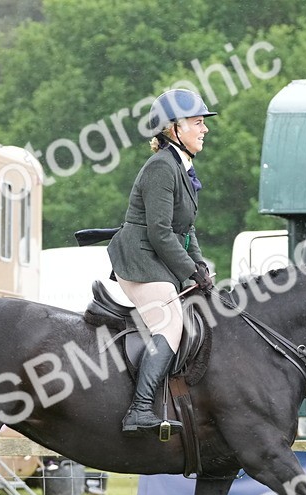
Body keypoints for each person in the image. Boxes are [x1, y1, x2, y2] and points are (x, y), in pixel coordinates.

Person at [107, 88, 216, 435]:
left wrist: (201, 268)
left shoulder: (182, 168)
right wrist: (188, 271)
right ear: (174, 129)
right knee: (169, 321)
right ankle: (139, 410)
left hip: (156, 258)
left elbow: (187, 230)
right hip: (139, 259)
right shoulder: (160, 168)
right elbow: (159, 232)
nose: (204, 129)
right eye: (197, 123)